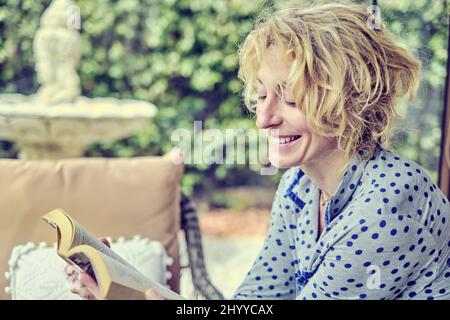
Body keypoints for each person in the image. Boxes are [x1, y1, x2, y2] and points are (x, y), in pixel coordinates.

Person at [66, 1, 450, 300]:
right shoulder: (299, 188)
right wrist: (126, 286)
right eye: (262, 96)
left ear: (349, 102)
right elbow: (255, 300)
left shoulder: (388, 201)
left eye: (289, 100)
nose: (263, 120)